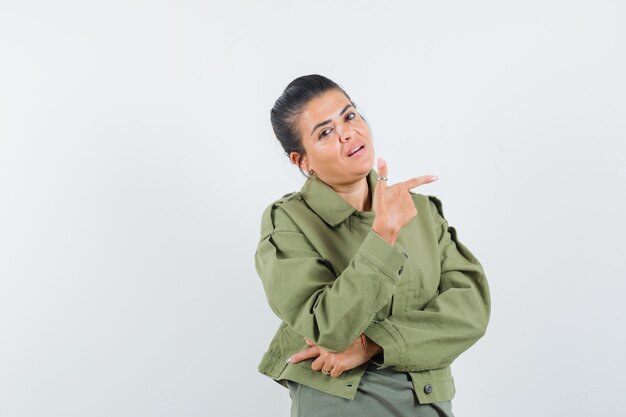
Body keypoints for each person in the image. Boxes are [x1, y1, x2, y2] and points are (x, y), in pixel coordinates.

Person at [254, 74, 491, 417]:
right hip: (339, 401)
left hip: (426, 402)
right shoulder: (287, 222)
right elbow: (328, 328)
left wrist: (372, 344)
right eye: (325, 132)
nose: (347, 133)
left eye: (349, 116)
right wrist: (382, 236)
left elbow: (471, 312)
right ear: (301, 161)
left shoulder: (420, 211)